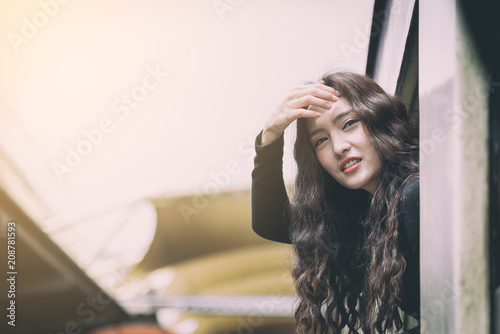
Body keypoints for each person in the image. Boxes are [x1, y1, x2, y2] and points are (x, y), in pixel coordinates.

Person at [251, 71, 420, 333]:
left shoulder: (414, 194)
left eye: (349, 123)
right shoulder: (369, 208)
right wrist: (271, 134)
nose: (339, 147)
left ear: (378, 117)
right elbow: (272, 222)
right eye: (321, 140)